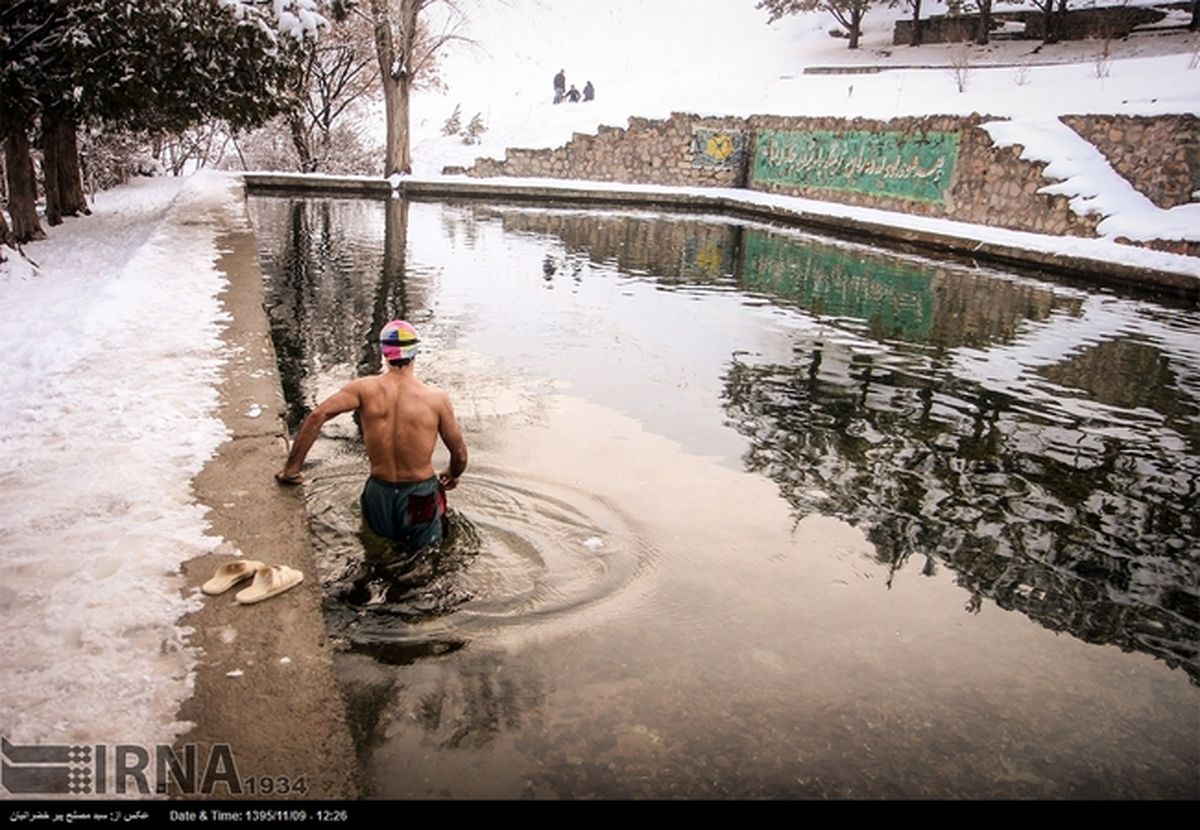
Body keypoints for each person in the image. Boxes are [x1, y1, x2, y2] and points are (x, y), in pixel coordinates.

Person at [275, 320, 469, 552]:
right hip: (419, 495)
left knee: (378, 557)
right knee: (426, 559)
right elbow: (459, 453)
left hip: (379, 493)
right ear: (415, 352)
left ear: (383, 352)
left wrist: (292, 469)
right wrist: (453, 473)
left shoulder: (363, 389)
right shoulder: (436, 398)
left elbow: (318, 415)